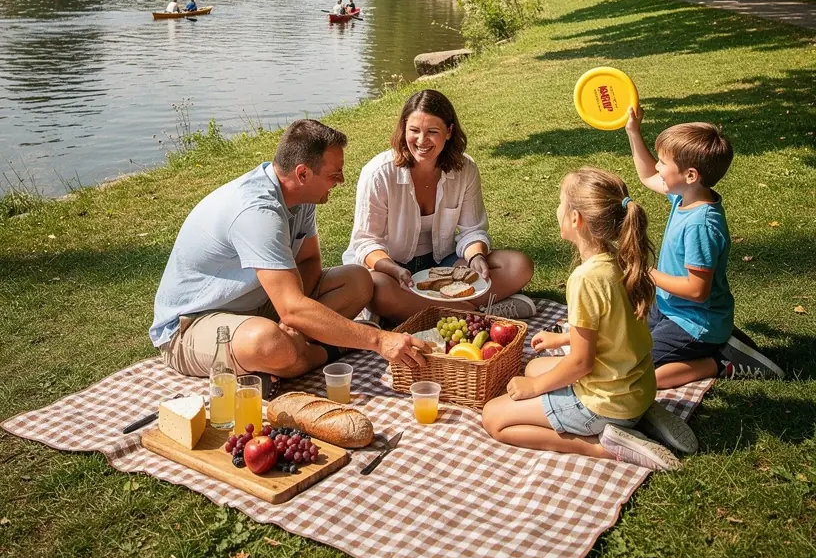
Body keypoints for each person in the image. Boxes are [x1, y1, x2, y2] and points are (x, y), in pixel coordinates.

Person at [150, 119, 428, 383]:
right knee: (269, 343)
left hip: (257, 304)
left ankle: (292, 352)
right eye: (334, 174)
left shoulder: (301, 197)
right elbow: (291, 306)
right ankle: (325, 351)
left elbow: (309, 261)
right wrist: (378, 341)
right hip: (191, 325)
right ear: (303, 173)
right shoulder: (257, 212)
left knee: (358, 280)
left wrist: (294, 320)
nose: (341, 180)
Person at [481, 168, 680, 472]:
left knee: (493, 417)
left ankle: (605, 446)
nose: (557, 209)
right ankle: (639, 416)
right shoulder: (622, 259)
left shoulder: (586, 279)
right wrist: (564, 338)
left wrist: (534, 388)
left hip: (604, 402)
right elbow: (615, 328)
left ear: (576, 219)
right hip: (635, 386)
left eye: (561, 203)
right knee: (534, 366)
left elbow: (580, 364)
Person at [343, 89, 536, 322]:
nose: (421, 141)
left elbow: (472, 230)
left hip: (443, 265)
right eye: (414, 130)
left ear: (449, 132)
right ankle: (478, 312)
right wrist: (394, 269)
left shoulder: (465, 169)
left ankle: (429, 311)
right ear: (404, 129)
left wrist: (476, 258)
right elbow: (366, 242)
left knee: (518, 266)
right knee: (376, 288)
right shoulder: (378, 173)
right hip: (392, 269)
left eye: (432, 132)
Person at [625, 109, 784, 386]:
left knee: (639, 376)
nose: (658, 167)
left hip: (695, 323)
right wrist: (633, 132)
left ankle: (722, 362)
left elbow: (697, 291)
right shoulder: (686, 197)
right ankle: (725, 343)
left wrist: (647, 273)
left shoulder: (701, 225)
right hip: (670, 308)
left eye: (663, 162)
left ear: (690, 175)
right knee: (625, 350)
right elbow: (648, 175)